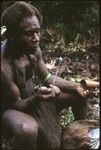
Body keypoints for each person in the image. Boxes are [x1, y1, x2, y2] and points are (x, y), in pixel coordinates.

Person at [1, 2, 88, 149]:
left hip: (32, 98)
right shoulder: (3, 66)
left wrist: (76, 86)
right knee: (27, 130)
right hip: (9, 110)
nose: (36, 38)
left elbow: (47, 78)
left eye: (37, 31)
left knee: (79, 94)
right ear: (12, 35)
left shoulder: (32, 48)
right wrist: (38, 97)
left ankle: (80, 139)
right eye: (28, 33)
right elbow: (17, 104)